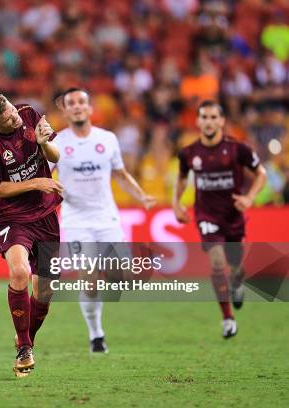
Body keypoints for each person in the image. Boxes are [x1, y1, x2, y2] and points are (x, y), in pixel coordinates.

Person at [53, 88, 156, 353]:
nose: (76, 107)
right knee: (88, 280)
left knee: (121, 276)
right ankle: (96, 334)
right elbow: (43, 174)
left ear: (90, 108)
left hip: (106, 218)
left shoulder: (107, 139)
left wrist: (142, 196)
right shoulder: (56, 144)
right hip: (76, 220)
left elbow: (120, 174)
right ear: (64, 110)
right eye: (71, 103)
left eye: (81, 102)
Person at [0, 91, 62, 377]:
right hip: (13, 218)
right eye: (7, 117)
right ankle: (24, 349)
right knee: (20, 272)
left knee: (46, 291)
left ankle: (26, 339)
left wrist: (44, 143)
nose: (14, 117)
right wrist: (35, 183)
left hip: (46, 215)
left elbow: (55, 157)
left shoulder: (28, 113)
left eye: (12, 110)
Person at [173, 100, 266, 339]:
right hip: (206, 215)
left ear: (222, 121)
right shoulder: (189, 152)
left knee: (235, 266)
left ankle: (236, 283)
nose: (209, 122)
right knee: (216, 262)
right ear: (197, 121)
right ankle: (227, 318)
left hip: (234, 215)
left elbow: (261, 173)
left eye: (214, 117)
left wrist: (249, 197)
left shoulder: (238, 149)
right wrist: (177, 203)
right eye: (204, 117)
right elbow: (182, 178)